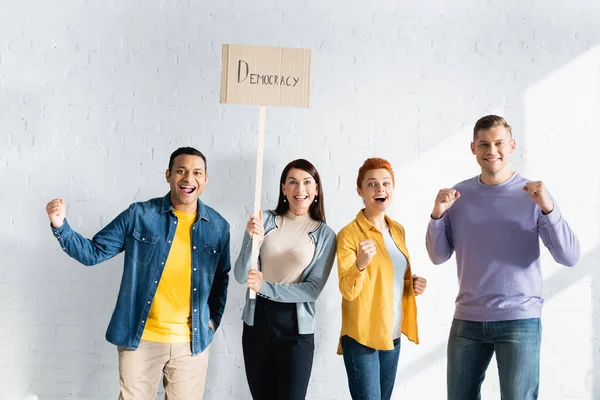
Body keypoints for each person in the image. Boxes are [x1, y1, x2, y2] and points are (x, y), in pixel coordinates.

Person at [45, 147, 230, 399]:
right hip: (141, 340)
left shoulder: (219, 227)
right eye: (181, 171)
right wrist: (60, 225)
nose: (189, 178)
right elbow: (93, 252)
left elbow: (221, 278)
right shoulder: (140, 215)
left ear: (205, 179)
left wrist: (212, 322)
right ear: (168, 175)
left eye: (197, 172)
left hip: (192, 342)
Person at [426, 115, 580, 400]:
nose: (491, 151)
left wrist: (548, 208)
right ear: (473, 148)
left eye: (498, 143)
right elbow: (438, 256)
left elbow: (569, 256)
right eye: (484, 144)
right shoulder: (458, 196)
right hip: (467, 320)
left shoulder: (533, 195)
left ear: (512, 146)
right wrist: (437, 214)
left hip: (519, 319)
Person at [234, 159, 336, 400]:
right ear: (283, 188)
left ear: (316, 189)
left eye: (306, 182)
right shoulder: (264, 220)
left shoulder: (325, 235)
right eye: (292, 182)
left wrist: (265, 286)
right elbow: (240, 275)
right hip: (257, 320)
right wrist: (250, 239)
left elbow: (311, 290)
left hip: (296, 329)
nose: (300, 189)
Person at [337, 157, 427, 400]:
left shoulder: (398, 230)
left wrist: (413, 284)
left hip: (393, 334)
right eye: (372, 184)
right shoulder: (348, 234)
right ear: (360, 191)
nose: (380, 189)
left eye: (386, 183)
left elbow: (390, 278)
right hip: (362, 336)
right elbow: (347, 290)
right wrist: (360, 264)